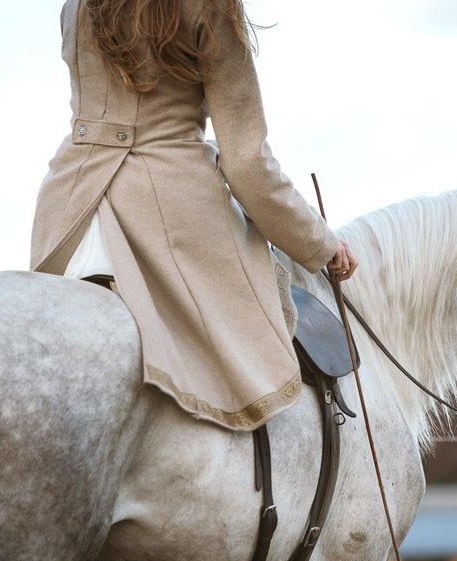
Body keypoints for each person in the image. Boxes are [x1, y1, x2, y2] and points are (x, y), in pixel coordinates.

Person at [31, 0, 357, 433]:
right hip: (170, 206)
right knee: (257, 348)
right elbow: (247, 165)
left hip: (70, 206)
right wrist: (319, 242)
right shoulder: (209, 6)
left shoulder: (77, 6)